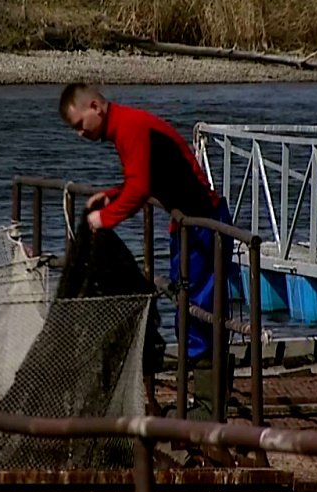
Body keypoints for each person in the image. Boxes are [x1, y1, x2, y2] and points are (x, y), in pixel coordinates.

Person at [57, 82, 236, 372]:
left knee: (201, 310)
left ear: (95, 107)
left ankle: (207, 396)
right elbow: (144, 181)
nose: (81, 133)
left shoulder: (130, 126)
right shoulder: (123, 128)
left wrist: (105, 218)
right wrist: (112, 196)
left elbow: (140, 188)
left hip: (206, 224)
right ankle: (195, 387)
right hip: (185, 225)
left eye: (80, 125)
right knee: (187, 305)